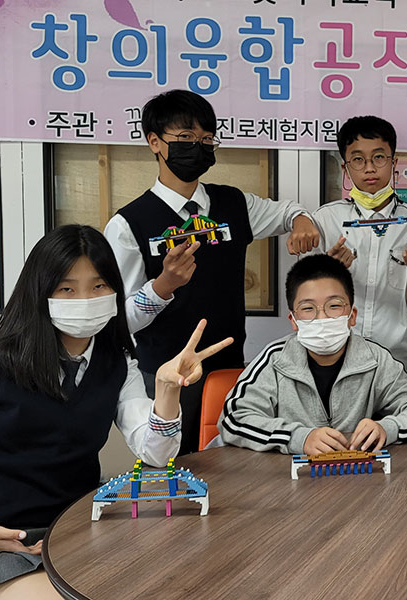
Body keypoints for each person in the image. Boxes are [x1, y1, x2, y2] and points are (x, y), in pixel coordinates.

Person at [0, 225, 231, 598]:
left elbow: (155, 453)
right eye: (67, 288)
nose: (85, 299)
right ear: (40, 292)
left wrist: (167, 391)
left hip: (73, 531)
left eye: (98, 286)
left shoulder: (118, 364)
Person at [104, 89, 319, 454]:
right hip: (167, 374)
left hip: (229, 371)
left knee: (232, 465)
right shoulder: (128, 224)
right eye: (186, 137)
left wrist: (302, 220)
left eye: (206, 139)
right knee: (172, 464)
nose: (198, 147)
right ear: (154, 142)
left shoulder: (233, 203)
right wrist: (162, 287)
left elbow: (288, 213)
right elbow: (117, 320)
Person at [217, 255, 407, 455]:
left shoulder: (375, 359)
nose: (322, 318)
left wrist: (388, 428)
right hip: (285, 476)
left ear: (352, 315)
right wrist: (298, 438)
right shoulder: (275, 360)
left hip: (352, 474)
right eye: (308, 308)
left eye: (334, 306)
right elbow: (233, 419)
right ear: (293, 320)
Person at [311, 116, 407, 382]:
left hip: (396, 357)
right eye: (358, 159)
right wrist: (333, 272)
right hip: (337, 354)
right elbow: (310, 302)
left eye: (379, 157)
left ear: (394, 162)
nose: (369, 168)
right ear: (345, 168)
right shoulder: (325, 220)